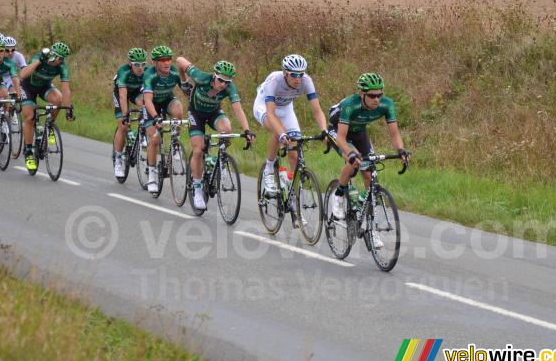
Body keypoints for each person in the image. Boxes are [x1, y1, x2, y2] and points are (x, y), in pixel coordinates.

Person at [327, 73, 410, 247]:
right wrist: (350, 154)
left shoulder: (387, 105)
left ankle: (371, 229)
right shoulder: (351, 104)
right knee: (355, 162)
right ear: (361, 94)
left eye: (379, 95)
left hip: (359, 131)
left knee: (370, 174)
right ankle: (339, 195)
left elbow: (394, 134)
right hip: (338, 130)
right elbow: (341, 138)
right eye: (372, 96)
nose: (376, 99)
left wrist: (401, 150)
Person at [176, 56, 255, 209]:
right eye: (221, 80)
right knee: (198, 150)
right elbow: (179, 60)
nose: (224, 84)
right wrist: (184, 82)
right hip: (196, 114)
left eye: (228, 81)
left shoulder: (229, 88)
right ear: (214, 76)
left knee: (227, 130)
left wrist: (247, 130)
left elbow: (238, 109)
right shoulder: (200, 77)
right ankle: (197, 189)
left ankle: (220, 161)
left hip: (213, 113)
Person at [253, 54, 327, 194]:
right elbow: (270, 113)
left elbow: (317, 110)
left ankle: (293, 192)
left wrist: (324, 130)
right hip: (265, 106)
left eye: (301, 74)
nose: (297, 79)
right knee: (278, 130)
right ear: (285, 73)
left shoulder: (306, 81)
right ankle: (269, 170)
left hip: (286, 108)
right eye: (293, 74)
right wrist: (281, 133)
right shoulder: (274, 80)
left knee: (294, 150)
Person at [19, 42, 75, 171]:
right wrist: (38, 61)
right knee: (30, 117)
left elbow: (66, 89)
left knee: (58, 99)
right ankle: (28, 152)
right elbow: (22, 75)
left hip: (44, 87)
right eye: (59, 58)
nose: (61, 61)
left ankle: (48, 126)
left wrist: (69, 108)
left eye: (63, 58)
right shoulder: (39, 57)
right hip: (28, 88)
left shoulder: (62, 66)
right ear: (53, 56)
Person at [139, 45, 184, 192]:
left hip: (166, 99)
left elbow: (186, 91)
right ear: (154, 62)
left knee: (178, 109)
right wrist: (156, 117)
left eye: (169, 59)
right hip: (152, 105)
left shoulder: (174, 73)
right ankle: (152, 175)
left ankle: (175, 143)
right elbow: (147, 100)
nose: (166, 63)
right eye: (162, 60)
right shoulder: (149, 75)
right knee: (154, 140)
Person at [112, 47, 147, 178]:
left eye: (143, 64)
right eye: (137, 64)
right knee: (123, 125)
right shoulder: (123, 72)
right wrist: (125, 115)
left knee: (146, 105)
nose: (140, 67)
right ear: (130, 63)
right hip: (121, 93)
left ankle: (142, 133)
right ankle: (118, 160)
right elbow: (122, 96)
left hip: (136, 93)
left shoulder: (147, 71)